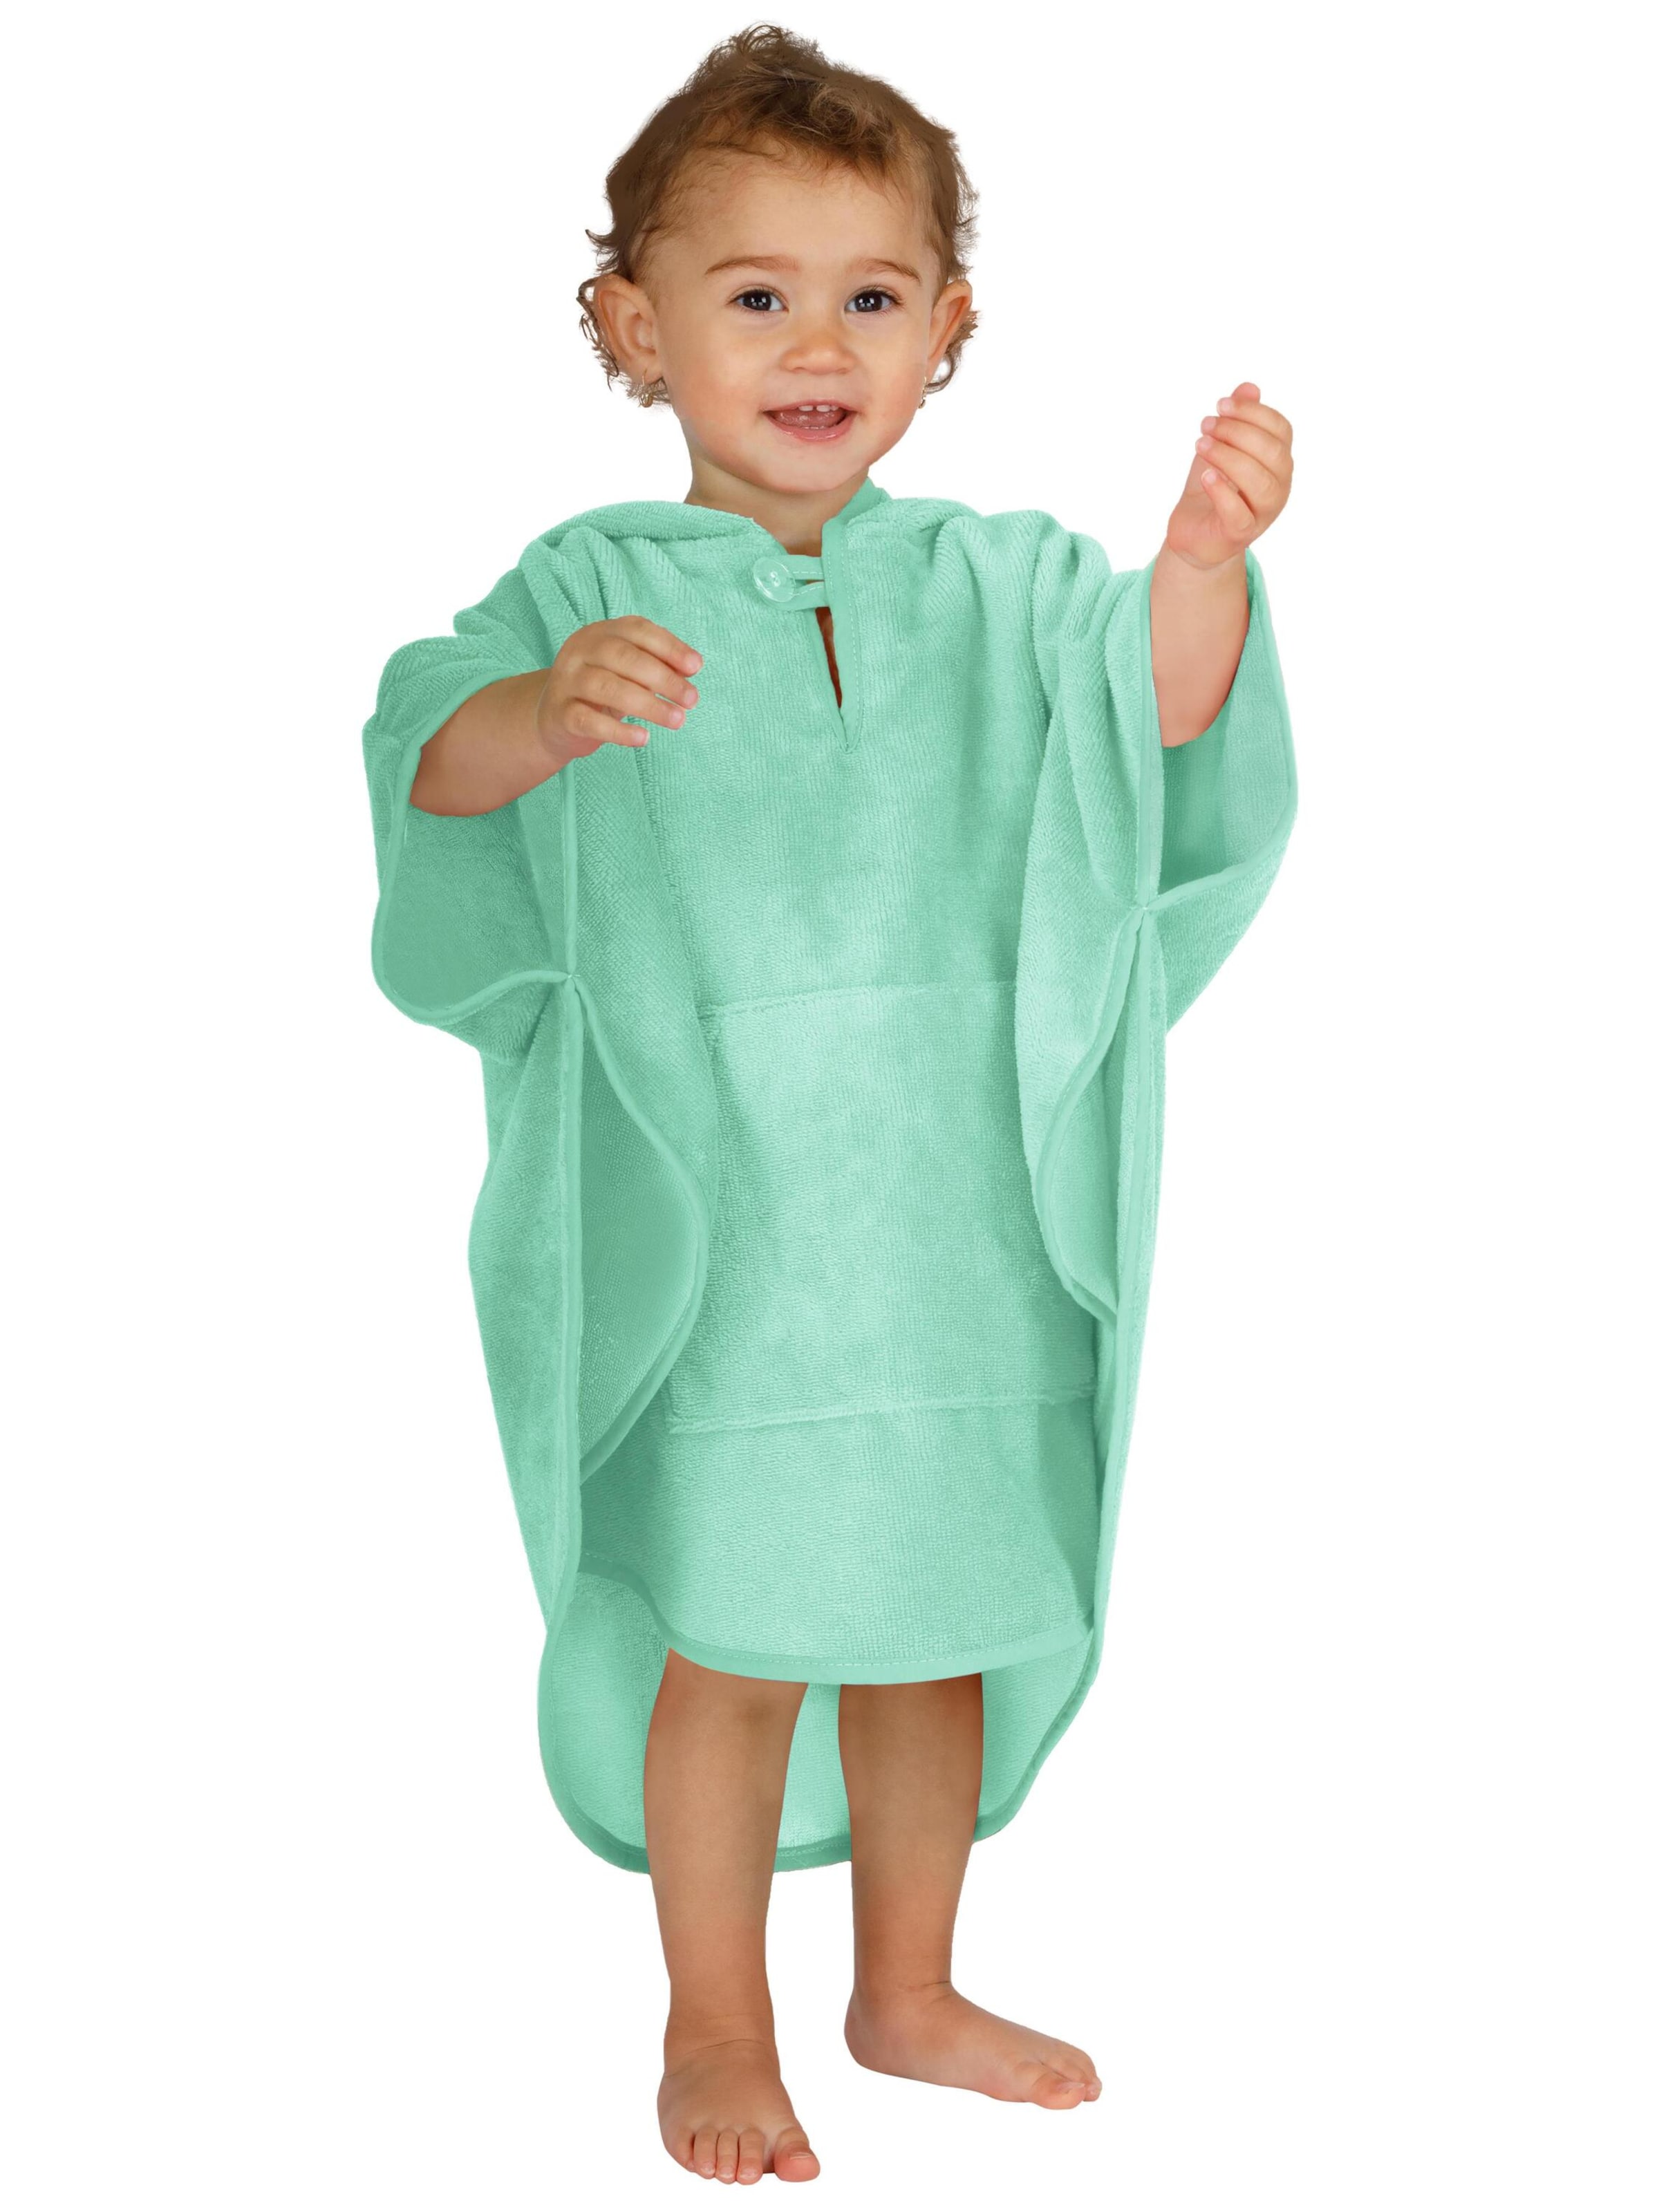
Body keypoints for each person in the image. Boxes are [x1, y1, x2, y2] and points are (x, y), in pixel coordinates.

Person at [362, 24, 1295, 2188]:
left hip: (957, 1231)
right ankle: (713, 2022)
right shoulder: (591, 589)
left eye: (871, 295)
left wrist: (1204, 559)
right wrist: (539, 712)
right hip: (727, 1239)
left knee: (933, 1618)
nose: (816, 346)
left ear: (949, 326)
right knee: (733, 1634)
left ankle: (910, 1987)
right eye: (755, 294)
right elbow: (431, 753)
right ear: (636, 328)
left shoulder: (1005, 584)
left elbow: (1155, 721)